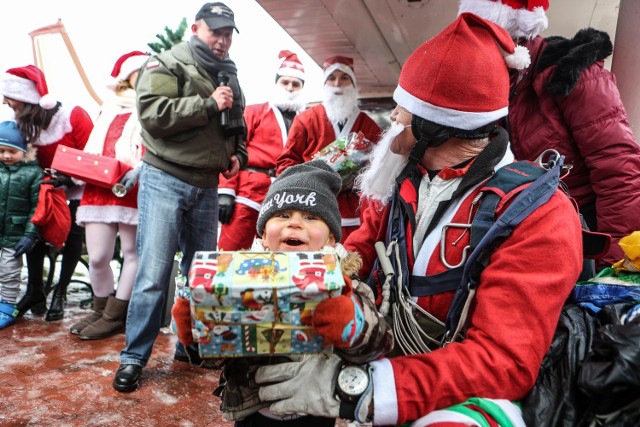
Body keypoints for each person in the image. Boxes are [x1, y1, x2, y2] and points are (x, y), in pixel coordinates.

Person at [254, 13, 584, 426]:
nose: (393, 118)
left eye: (404, 109)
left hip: (466, 399)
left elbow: (503, 362)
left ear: (438, 126)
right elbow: (357, 255)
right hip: (388, 361)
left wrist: (357, 389)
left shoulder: (540, 214)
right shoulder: (402, 180)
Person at [172, 159, 393, 426]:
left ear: (332, 239)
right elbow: (216, 353)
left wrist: (352, 323)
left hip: (315, 410)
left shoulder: (344, 283)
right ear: (264, 234)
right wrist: (196, 330)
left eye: (311, 217)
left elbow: (378, 344)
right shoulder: (236, 280)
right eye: (283, 215)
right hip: (252, 409)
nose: (295, 224)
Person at [112, 2, 248, 392]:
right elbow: (153, 114)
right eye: (215, 32)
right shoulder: (167, 62)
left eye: (227, 34)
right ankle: (134, 357)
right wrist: (208, 103)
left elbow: (237, 123)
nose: (222, 41)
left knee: (200, 275)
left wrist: (238, 155)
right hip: (165, 178)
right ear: (195, 28)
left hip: (207, 183)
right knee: (154, 274)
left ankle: (190, 346)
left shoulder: (229, 73)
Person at [458, 0, 640, 268]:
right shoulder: (493, 89)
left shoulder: (573, 73)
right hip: (532, 233)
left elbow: (619, 172)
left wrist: (614, 266)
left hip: (586, 234)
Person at [0, 65, 93, 320]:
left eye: (12, 102)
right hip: (45, 190)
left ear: (29, 100)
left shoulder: (73, 116)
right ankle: (35, 290)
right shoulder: (24, 123)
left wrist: (68, 178)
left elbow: (93, 156)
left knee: (73, 231)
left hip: (78, 189)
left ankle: (61, 290)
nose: (9, 105)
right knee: (34, 226)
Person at [71, 51, 148, 340]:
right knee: (98, 256)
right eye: (139, 70)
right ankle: (100, 307)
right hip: (99, 187)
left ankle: (114, 315)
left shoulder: (153, 105)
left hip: (133, 186)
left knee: (132, 254)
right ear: (125, 75)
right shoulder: (109, 106)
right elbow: (93, 146)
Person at [276, 55, 381, 243]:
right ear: (324, 83)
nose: (337, 84)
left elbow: (380, 167)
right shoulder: (306, 119)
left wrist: (356, 181)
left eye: (344, 78)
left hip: (353, 211)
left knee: (350, 262)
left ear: (353, 84)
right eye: (332, 78)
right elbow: (286, 163)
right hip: (312, 207)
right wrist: (309, 180)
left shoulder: (369, 125)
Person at [218, 49, 306, 250]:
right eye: (285, 82)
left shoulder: (306, 119)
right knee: (230, 252)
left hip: (285, 197)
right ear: (277, 83)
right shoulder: (255, 112)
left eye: (296, 84)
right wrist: (225, 191)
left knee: (275, 255)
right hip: (248, 192)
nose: (290, 88)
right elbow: (232, 150)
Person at [0, 121, 42, 329]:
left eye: (12, 151)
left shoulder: (32, 174)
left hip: (15, 235)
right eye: (1, 150)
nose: (6, 155)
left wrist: (31, 234)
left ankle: (6, 308)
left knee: (9, 272)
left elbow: (37, 208)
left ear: (23, 151)